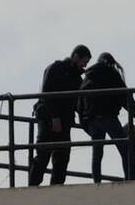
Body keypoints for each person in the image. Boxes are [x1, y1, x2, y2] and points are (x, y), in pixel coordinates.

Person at [28, 44, 91, 186]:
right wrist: (54, 117)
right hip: (48, 117)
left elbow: (79, 105)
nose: (84, 65)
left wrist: (86, 123)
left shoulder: (77, 79)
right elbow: (46, 94)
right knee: (43, 155)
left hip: (65, 121)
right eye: (83, 62)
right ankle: (32, 188)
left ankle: (56, 189)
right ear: (75, 57)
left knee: (62, 158)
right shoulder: (56, 68)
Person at [80, 52, 135, 183]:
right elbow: (126, 97)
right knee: (125, 149)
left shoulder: (89, 75)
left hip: (92, 119)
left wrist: (85, 122)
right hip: (108, 118)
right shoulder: (112, 73)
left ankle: (96, 182)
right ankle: (129, 179)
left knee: (97, 153)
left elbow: (80, 101)